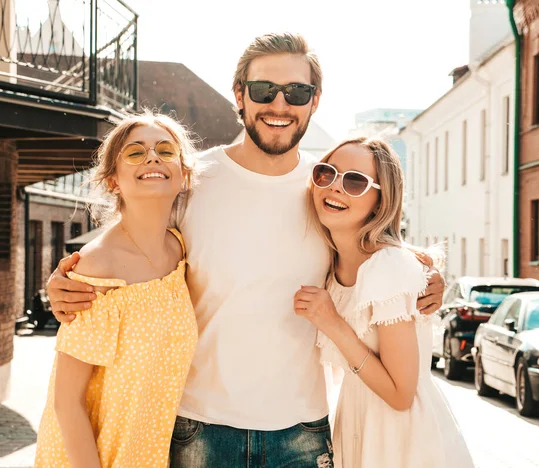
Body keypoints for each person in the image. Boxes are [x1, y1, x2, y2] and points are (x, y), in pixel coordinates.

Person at [46, 33, 446, 468]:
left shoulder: (327, 188)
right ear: (239, 95)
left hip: (302, 432)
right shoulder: (192, 181)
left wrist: (430, 279)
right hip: (198, 428)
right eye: (263, 90)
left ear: (314, 101)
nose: (280, 105)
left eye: (297, 92)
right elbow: (132, 246)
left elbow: (376, 256)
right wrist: (67, 281)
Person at [294, 137, 473, 468]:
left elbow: (400, 395)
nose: (335, 187)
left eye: (354, 181)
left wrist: (333, 323)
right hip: (358, 425)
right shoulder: (329, 268)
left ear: (380, 200)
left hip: (402, 442)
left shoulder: (388, 267)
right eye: (326, 173)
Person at [34, 111, 199, 468]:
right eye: (136, 152)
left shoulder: (179, 248)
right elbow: (66, 402)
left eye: (166, 150)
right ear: (113, 181)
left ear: (183, 176)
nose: (152, 157)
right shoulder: (96, 268)